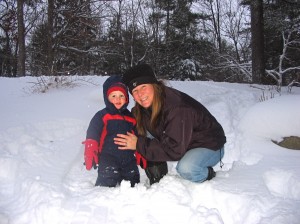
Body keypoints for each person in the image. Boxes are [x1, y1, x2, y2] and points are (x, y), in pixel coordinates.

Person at [114, 64, 226, 185]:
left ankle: (207, 173)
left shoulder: (177, 107)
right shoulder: (141, 109)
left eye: (143, 87)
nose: (140, 94)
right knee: (140, 133)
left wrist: (138, 144)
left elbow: (174, 150)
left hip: (208, 145)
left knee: (187, 169)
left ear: (154, 85)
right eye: (135, 91)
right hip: (183, 142)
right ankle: (158, 173)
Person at [82, 75, 142, 187]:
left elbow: (138, 134)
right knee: (106, 180)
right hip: (108, 156)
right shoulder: (102, 115)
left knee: (133, 181)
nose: (118, 99)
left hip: (128, 157)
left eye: (121, 95)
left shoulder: (131, 117)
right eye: (113, 95)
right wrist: (91, 146)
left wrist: (140, 150)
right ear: (107, 97)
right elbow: (93, 131)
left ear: (126, 98)